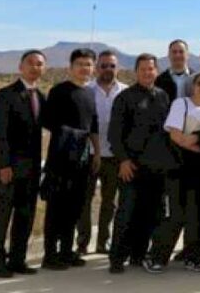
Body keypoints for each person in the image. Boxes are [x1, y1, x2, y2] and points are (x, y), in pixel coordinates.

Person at [144, 71, 200, 273]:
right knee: (175, 215)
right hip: (178, 168)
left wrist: (198, 139)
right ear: (193, 85)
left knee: (195, 216)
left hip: (199, 172)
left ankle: (192, 257)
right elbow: (177, 137)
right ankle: (157, 256)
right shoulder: (181, 104)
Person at [108, 54, 171, 274]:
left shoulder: (163, 96)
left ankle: (139, 254)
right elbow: (114, 135)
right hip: (132, 166)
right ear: (136, 72)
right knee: (126, 213)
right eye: (143, 69)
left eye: (151, 69)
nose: (147, 72)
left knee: (151, 214)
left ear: (156, 71)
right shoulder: (125, 98)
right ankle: (117, 258)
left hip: (157, 167)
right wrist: (123, 160)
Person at [0, 49, 47, 278]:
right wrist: (4, 165)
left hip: (32, 170)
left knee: (25, 215)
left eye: (40, 64)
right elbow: (0, 133)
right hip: (10, 168)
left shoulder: (41, 97)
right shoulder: (6, 94)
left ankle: (17, 260)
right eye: (31, 63)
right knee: (3, 216)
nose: (35, 67)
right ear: (20, 67)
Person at [40, 48, 100, 271]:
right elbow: (48, 121)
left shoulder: (89, 94)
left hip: (83, 158)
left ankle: (67, 251)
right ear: (71, 67)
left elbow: (92, 126)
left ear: (93, 68)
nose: (85, 68)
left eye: (88, 64)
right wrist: (70, 134)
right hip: (60, 158)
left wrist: (96, 151)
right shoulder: (59, 91)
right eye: (80, 64)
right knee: (56, 207)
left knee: (75, 206)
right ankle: (50, 254)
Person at [76, 49, 127, 255]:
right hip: (88, 155)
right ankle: (82, 242)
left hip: (114, 157)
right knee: (84, 201)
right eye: (104, 65)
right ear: (97, 68)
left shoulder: (125, 91)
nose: (108, 69)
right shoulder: (86, 90)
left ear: (118, 68)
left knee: (109, 202)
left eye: (112, 66)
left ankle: (103, 241)